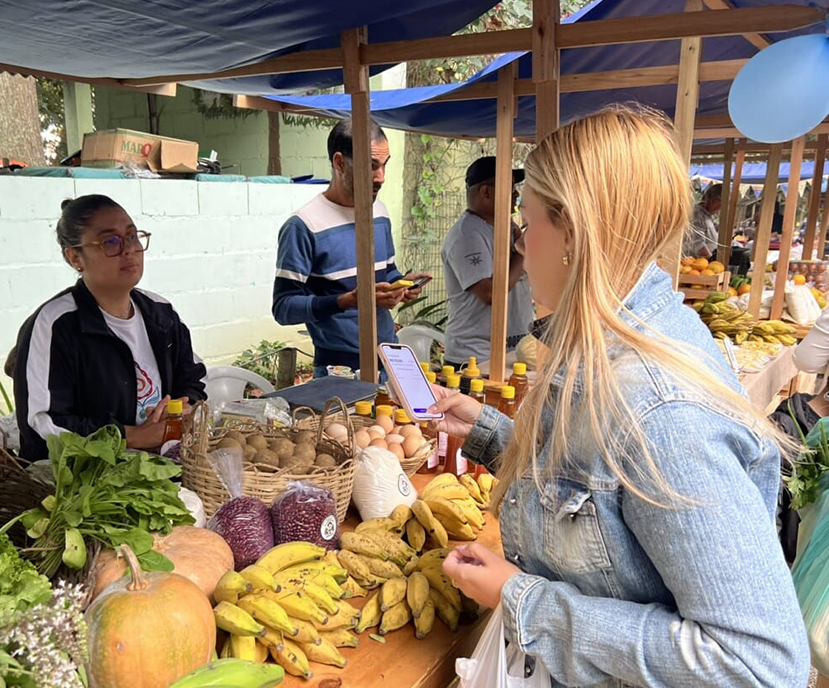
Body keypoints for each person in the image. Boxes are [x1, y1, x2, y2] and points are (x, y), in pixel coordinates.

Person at [427, 107, 809, 687]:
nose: (522, 245)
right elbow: (600, 490)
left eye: (527, 223)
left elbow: (758, 665)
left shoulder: (658, 408)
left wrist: (523, 599)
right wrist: (488, 431)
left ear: (573, 234)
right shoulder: (610, 346)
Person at [14, 195, 207, 462]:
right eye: (110, 242)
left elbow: (193, 379)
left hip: (158, 467)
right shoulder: (56, 325)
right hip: (81, 477)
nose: (129, 250)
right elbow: (44, 421)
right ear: (75, 257)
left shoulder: (161, 313)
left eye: (132, 237)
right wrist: (131, 436)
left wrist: (182, 408)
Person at [272, 118, 427, 377]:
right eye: (371, 166)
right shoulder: (303, 225)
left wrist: (401, 285)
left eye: (384, 165)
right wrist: (347, 301)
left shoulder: (379, 212)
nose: (381, 177)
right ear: (340, 163)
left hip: (389, 360)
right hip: (338, 371)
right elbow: (283, 308)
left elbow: (387, 271)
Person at [441, 157, 533, 369]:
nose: (516, 195)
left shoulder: (505, 227)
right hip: (475, 357)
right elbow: (490, 293)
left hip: (509, 352)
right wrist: (523, 251)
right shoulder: (467, 235)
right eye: (510, 189)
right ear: (486, 192)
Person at [682, 182, 722, 259]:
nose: (721, 209)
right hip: (696, 262)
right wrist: (711, 260)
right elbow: (698, 245)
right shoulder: (697, 215)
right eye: (722, 204)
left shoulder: (706, 215)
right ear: (714, 201)